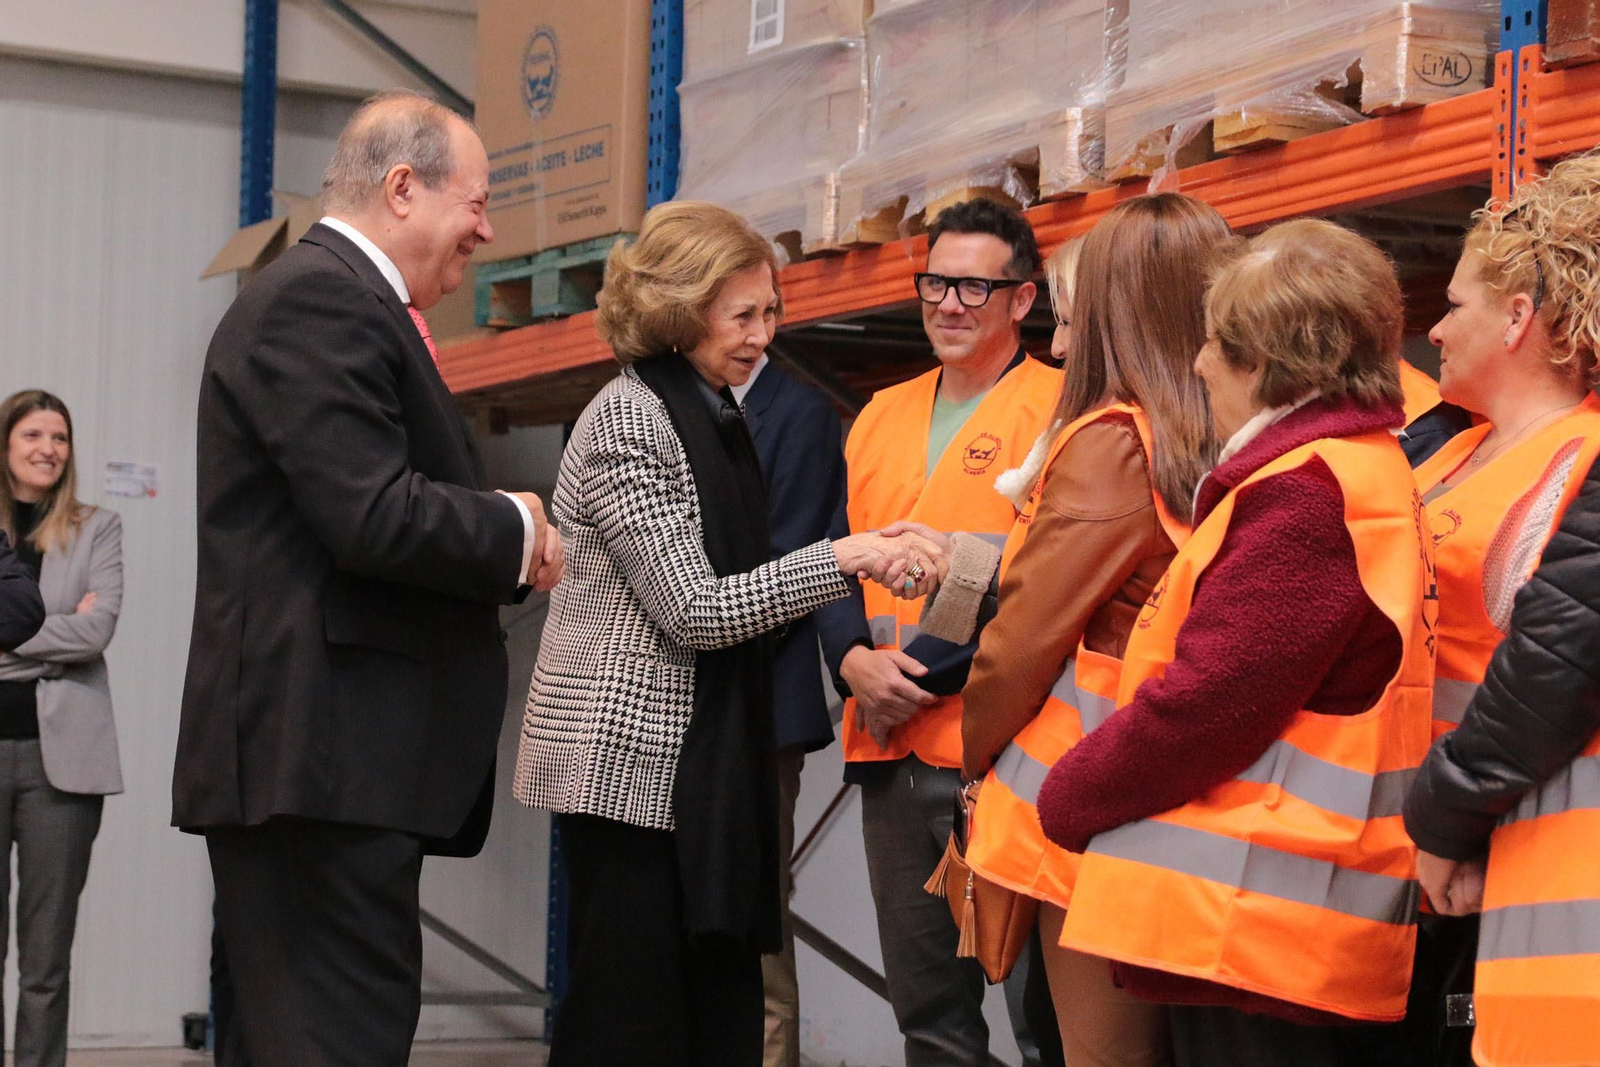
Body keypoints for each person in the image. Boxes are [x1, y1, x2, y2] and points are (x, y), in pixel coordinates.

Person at [172, 91, 563, 1067]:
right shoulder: (323, 297)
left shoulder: (332, 299)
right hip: (321, 761)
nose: (486, 228)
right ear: (402, 188)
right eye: (473, 201)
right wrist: (512, 525)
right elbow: (370, 511)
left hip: (323, 765)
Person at [513, 199, 937, 1067]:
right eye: (742, 314)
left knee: (713, 1009)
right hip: (630, 770)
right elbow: (696, 608)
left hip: (695, 769)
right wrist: (845, 556)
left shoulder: (707, 410)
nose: (762, 335)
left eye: (771, 312)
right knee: (630, 1020)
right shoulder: (634, 417)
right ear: (679, 307)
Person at [1036, 219, 1435, 1066]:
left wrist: (1071, 796)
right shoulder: (1352, 468)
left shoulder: (1303, 496)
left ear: (1265, 366)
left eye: (1218, 344)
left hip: (1257, 921)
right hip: (1280, 918)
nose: (1197, 362)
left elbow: (1213, 701)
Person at [912, 193, 1228, 1067]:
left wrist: (976, 752)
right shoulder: (1217, 434)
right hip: (1182, 794)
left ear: (1121, 319)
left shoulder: (1113, 441)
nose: (1057, 345)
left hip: (1085, 806)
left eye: (1074, 320)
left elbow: (1024, 637)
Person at [815, 196, 1061, 1066]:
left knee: (1043, 1018)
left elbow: (1040, 580)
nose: (948, 304)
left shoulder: (1057, 407)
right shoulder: (880, 414)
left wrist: (903, 675)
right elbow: (833, 556)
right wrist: (852, 664)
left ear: (1022, 299)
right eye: (934, 283)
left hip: (1003, 752)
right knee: (928, 1015)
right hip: (886, 743)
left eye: (972, 286)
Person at [1399, 153, 1600, 1066]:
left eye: (1455, 305)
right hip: (1407, 850)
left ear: (1519, 317)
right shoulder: (1445, 453)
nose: (1434, 330)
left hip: (1493, 856)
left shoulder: (1577, 460)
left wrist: (1453, 825)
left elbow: (1548, 676)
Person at [1403, 451, 1600, 1067]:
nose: (1433, 343)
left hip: (1522, 881)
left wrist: (1444, 818)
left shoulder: (1571, 448)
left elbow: (1559, 656)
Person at [728, 353, 847, 1067]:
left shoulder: (799, 413)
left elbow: (793, 563)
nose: (754, 334)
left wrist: (692, 612)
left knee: (758, 932)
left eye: (764, 315)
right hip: (684, 709)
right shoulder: (671, 403)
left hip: (760, 707)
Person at [0, 390, 121, 1067]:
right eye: (33, 433)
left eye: (61, 435)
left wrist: (10, 639)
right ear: (6, 443)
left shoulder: (98, 528)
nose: (49, 447)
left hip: (62, 765)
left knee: (46, 957)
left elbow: (98, 628)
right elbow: (74, 629)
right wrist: (58, 626)